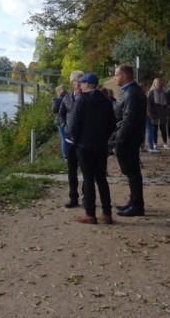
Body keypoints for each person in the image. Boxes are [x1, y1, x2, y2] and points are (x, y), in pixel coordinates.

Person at [70, 73, 117, 225]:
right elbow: (112, 124)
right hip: (101, 145)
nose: (80, 85)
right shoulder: (106, 101)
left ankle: (90, 214)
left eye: (81, 83)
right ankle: (107, 213)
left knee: (88, 178)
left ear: (86, 84)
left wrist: (77, 141)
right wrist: (103, 138)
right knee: (102, 178)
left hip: (84, 146)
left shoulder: (81, 100)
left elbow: (74, 125)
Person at [112, 64, 147, 217]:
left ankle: (137, 205)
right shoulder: (130, 91)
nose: (115, 78)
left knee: (132, 172)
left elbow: (129, 119)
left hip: (128, 139)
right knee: (131, 172)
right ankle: (134, 202)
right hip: (130, 137)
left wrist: (118, 139)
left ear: (125, 76)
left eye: (117, 75)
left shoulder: (131, 93)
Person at [58, 70, 84, 208]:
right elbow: (60, 115)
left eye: (82, 80)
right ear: (72, 83)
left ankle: (87, 197)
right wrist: (65, 127)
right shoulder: (67, 98)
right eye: (77, 81)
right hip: (70, 141)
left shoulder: (87, 97)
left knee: (86, 171)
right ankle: (73, 197)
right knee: (72, 170)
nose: (80, 83)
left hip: (84, 141)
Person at [147, 78, 169, 150]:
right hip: (154, 112)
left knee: (163, 128)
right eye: (157, 83)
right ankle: (155, 143)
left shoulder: (164, 92)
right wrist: (151, 114)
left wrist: (167, 114)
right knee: (154, 129)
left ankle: (165, 143)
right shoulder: (151, 92)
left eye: (160, 83)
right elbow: (149, 105)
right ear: (154, 84)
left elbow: (166, 105)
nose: (159, 84)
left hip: (162, 112)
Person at [52, 85, 68, 159]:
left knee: (63, 139)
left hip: (60, 120)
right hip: (68, 119)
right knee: (69, 137)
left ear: (58, 91)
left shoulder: (57, 99)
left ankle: (65, 156)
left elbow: (54, 110)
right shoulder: (69, 96)